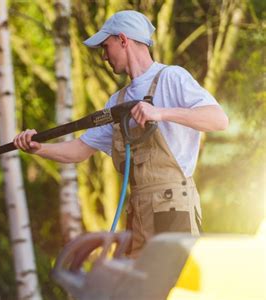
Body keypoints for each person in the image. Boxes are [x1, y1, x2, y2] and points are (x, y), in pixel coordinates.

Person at [13, 10, 228, 257]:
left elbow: (218, 119)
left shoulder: (171, 77)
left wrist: (161, 113)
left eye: (106, 46)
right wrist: (39, 149)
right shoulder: (117, 102)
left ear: (123, 40)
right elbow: (80, 150)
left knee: (175, 290)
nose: (103, 56)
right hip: (137, 212)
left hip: (172, 207)